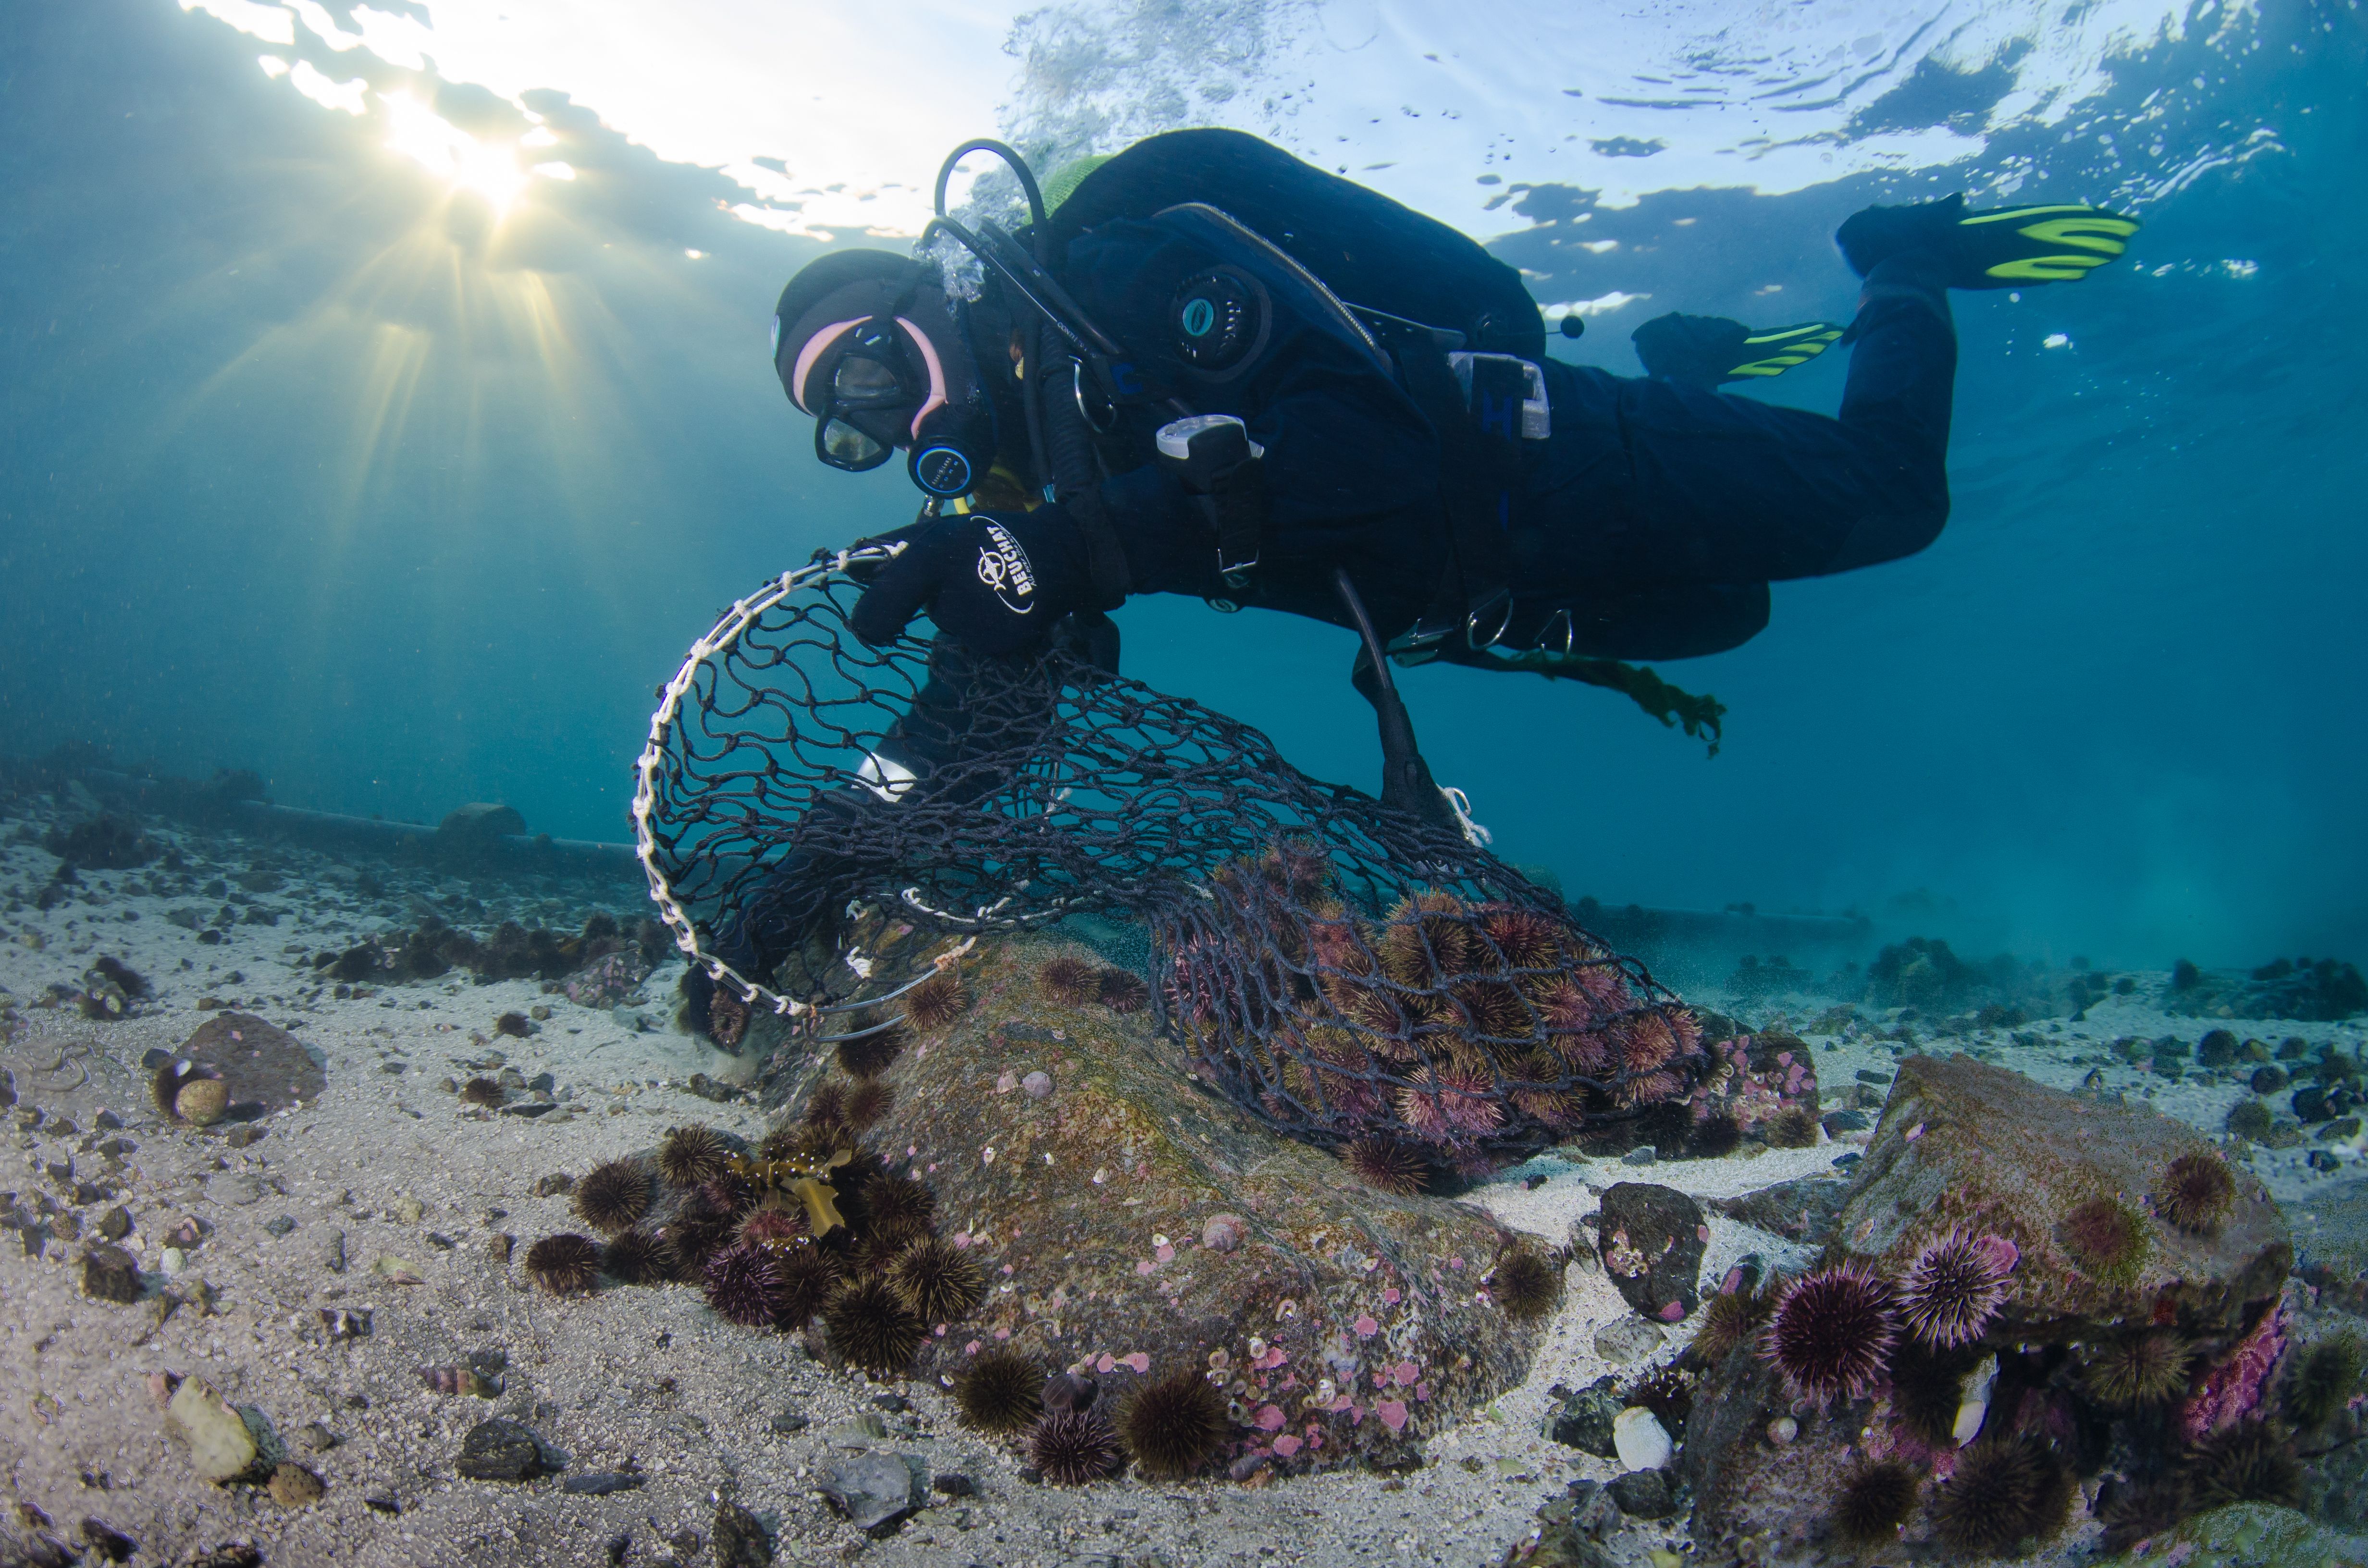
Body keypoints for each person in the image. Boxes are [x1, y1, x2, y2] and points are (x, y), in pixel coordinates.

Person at [687, 130, 2135, 1040]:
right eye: (849, 429)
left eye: (873, 372)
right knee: (1733, 614)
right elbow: (970, 723)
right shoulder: (1035, 497)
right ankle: (1687, 357)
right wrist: (813, 870)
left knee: (1892, 499)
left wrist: (1077, 548)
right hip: (1502, 598)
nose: (889, 426)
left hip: (1564, 462)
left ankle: (1896, 266)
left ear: (936, 303)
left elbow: (1368, 450)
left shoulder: (1118, 280)